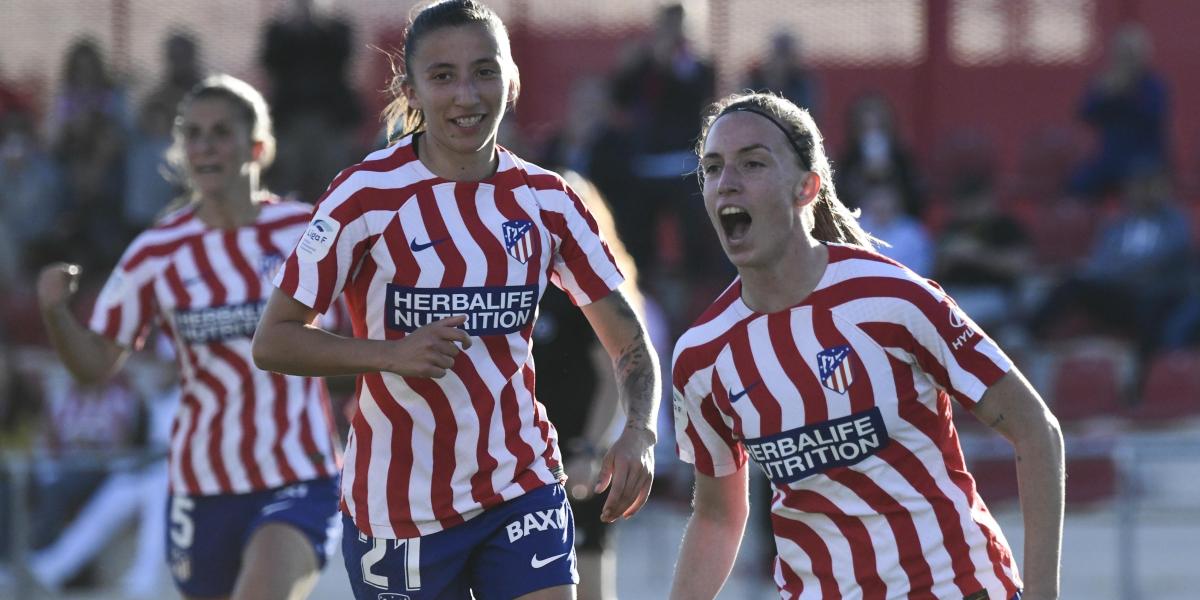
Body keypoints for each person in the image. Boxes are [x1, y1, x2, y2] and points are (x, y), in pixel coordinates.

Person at [251, 2, 661, 600]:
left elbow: (629, 340)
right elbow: (274, 340)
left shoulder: (549, 201)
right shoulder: (363, 196)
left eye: (485, 71)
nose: (467, 95)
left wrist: (639, 432)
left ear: (512, 79)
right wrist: (390, 355)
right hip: (399, 507)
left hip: (520, 483)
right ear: (410, 89)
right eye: (443, 76)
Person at [668, 92, 1064, 600]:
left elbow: (1037, 431)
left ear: (806, 187)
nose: (729, 182)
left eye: (753, 163)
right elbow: (718, 518)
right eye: (714, 168)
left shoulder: (892, 298)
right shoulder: (702, 356)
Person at [36, 74, 342, 600]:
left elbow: (354, 334)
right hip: (202, 484)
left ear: (258, 146)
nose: (204, 146)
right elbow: (95, 366)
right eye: (192, 134)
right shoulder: (157, 251)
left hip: (300, 471)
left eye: (221, 132)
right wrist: (56, 315)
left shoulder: (307, 230)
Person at [1068, 23, 1168, 199]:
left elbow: (1153, 116)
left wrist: (1127, 93)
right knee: (1077, 185)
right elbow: (1086, 113)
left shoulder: (1153, 85)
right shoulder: (1105, 83)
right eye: (1121, 53)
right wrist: (1105, 94)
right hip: (1110, 157)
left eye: (1130, 54)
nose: (1125, 59)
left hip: (1144, 158)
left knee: (1142, 182)